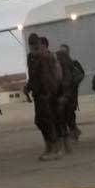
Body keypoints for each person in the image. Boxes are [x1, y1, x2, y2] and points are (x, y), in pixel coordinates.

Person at [27, 32, 63, 160]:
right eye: (31, 45)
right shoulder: (31, 58)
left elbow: (50, 76)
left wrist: (50, 92)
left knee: (47, 121)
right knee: (40, 121)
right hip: (37, 93)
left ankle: (55, 149)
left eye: (35, 44)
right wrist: (28, 88)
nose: (33, 47)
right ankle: (48, 147)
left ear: (39, 44)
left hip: (46, 93)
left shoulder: (46, 57)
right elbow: (32, 76)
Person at [56, 44, 84, 147]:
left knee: (70, 113)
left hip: (71, 93)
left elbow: (81, 74)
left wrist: (73, 81)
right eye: (61, 51)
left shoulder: (74, 63)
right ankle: (72, 132)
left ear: (68, 52)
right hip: (62, 92)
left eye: (64, 51)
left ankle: (74, 133)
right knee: (63, 114)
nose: (62, 54)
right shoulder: (58, 64)